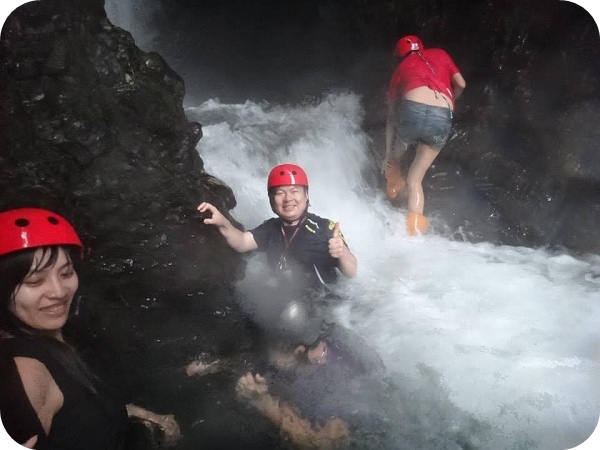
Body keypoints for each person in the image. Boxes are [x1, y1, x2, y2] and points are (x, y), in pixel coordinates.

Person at [0, 207, 181, 449]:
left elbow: (81, 403)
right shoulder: (26, 372)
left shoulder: (57, 336)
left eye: (66, 273)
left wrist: (145, 419)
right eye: (35, 281)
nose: (59, 291)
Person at [235, 300, 390, 449]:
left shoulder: (337, 380)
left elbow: (323, 445)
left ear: (299, 350)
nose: (270, 357)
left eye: (275, 349)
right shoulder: (314, 337)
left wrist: (264, 403)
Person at [197, 163, 357, 295]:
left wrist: (342, 252)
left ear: (306, 195)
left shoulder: (324, 228)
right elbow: (242, 242)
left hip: (326, 303)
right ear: (271, 200)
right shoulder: (270, 228)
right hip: (290, 299)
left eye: (295, 191)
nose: (288, 199)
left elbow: (351, 271)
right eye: (280, 193)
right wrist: (222, 222)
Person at [384, 35, 466, 236]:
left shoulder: (401, 68)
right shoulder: (440, 53)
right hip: (442, 115)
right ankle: (414, 231)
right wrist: (449, 104)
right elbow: (462, 84)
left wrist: (387, 154)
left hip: (413, 110)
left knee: (397, 152)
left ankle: (393, 180)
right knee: (416, 179)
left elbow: (391, 117)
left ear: (400, 55)